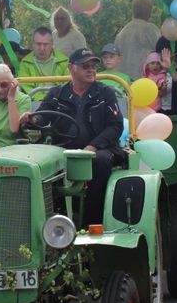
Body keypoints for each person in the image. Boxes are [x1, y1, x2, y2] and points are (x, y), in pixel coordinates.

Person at [22, 48, 125, 227]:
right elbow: (41, 117)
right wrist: (31, 119)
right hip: (63, 150)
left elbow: (115, 126)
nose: (91, 70)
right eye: (86, 66)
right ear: (71, 68)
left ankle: (93, 223)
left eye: (93, 66)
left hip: (100, 149)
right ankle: (53, 222)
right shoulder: (57, 94)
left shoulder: (105, 93)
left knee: (101, 162)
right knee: (43, 165)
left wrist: (93, 147)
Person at [114, 0, 162, 80]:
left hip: (123, 82)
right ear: (149, 13)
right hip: (145, 81)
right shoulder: (151, 29)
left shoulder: (122, 33)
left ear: (133, 12)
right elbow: (162, 53)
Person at [16, 26, 69, 96]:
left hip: (60, 102)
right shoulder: (25, 63)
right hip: (35, 103)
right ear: (33, 44)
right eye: (38, 44)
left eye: (45, 44)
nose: (42, 48)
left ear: (52, 44)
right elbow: (27, 88)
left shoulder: (65, 61)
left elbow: (68, 86)